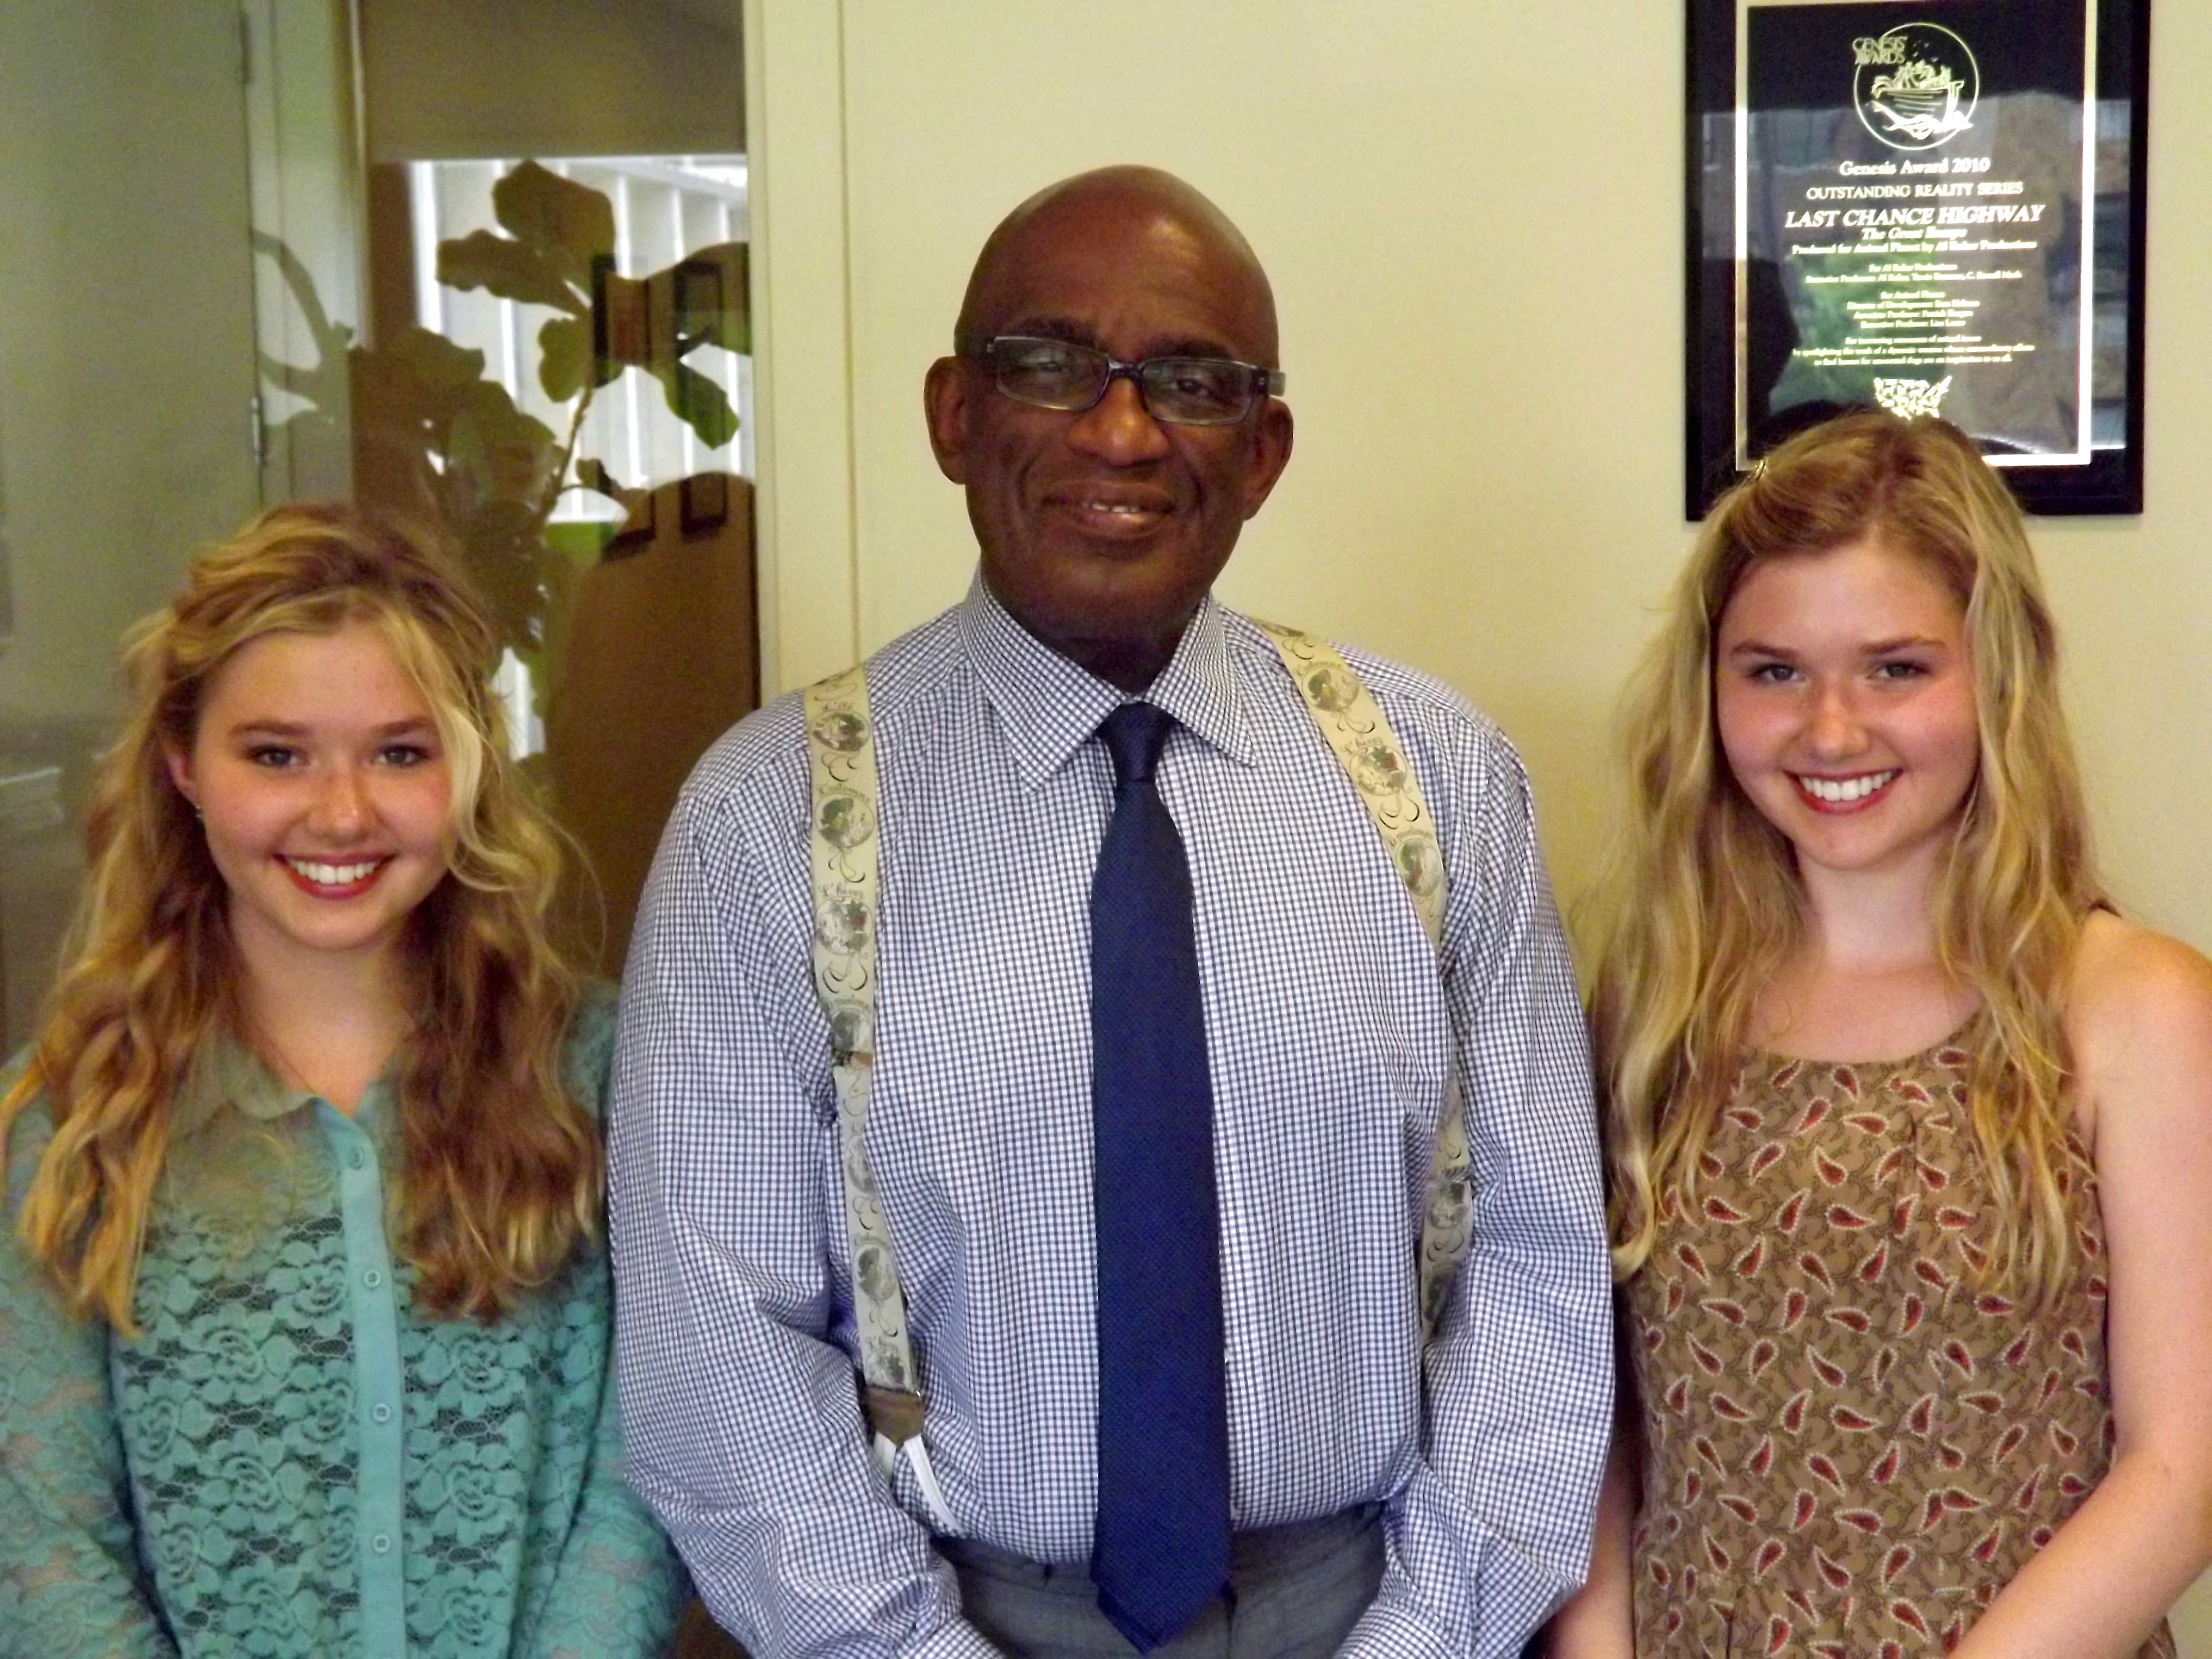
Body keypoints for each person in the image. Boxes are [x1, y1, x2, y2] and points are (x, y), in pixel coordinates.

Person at [610, 164, 1610, 1659]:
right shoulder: (769, 821)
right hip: (944, 1621)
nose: (1122, 430)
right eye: (1051, 364)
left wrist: (1428, 1639)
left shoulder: (1436, 780)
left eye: (1190, 382)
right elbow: (717, 1350)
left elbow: (1540, 1264)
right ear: (956, 412)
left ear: (1263, 450)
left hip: (1377, 1611)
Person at [1547, 412, 2212, 1657]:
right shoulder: (1655, 1003)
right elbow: (1598, 1417)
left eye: (1895, 668)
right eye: (1773, 670)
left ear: (1993, 679)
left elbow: (2180, 1471)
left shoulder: (2131, 1007)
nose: (1831, 730)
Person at [0, 504, 685, 1656]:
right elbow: (40, 1535)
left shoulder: (609, 1078)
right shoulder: (70, 1115)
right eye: (276, 754)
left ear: (469, 764)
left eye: (399, 752)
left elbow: (646, 1476)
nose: (342, 812)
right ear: (183, 765)